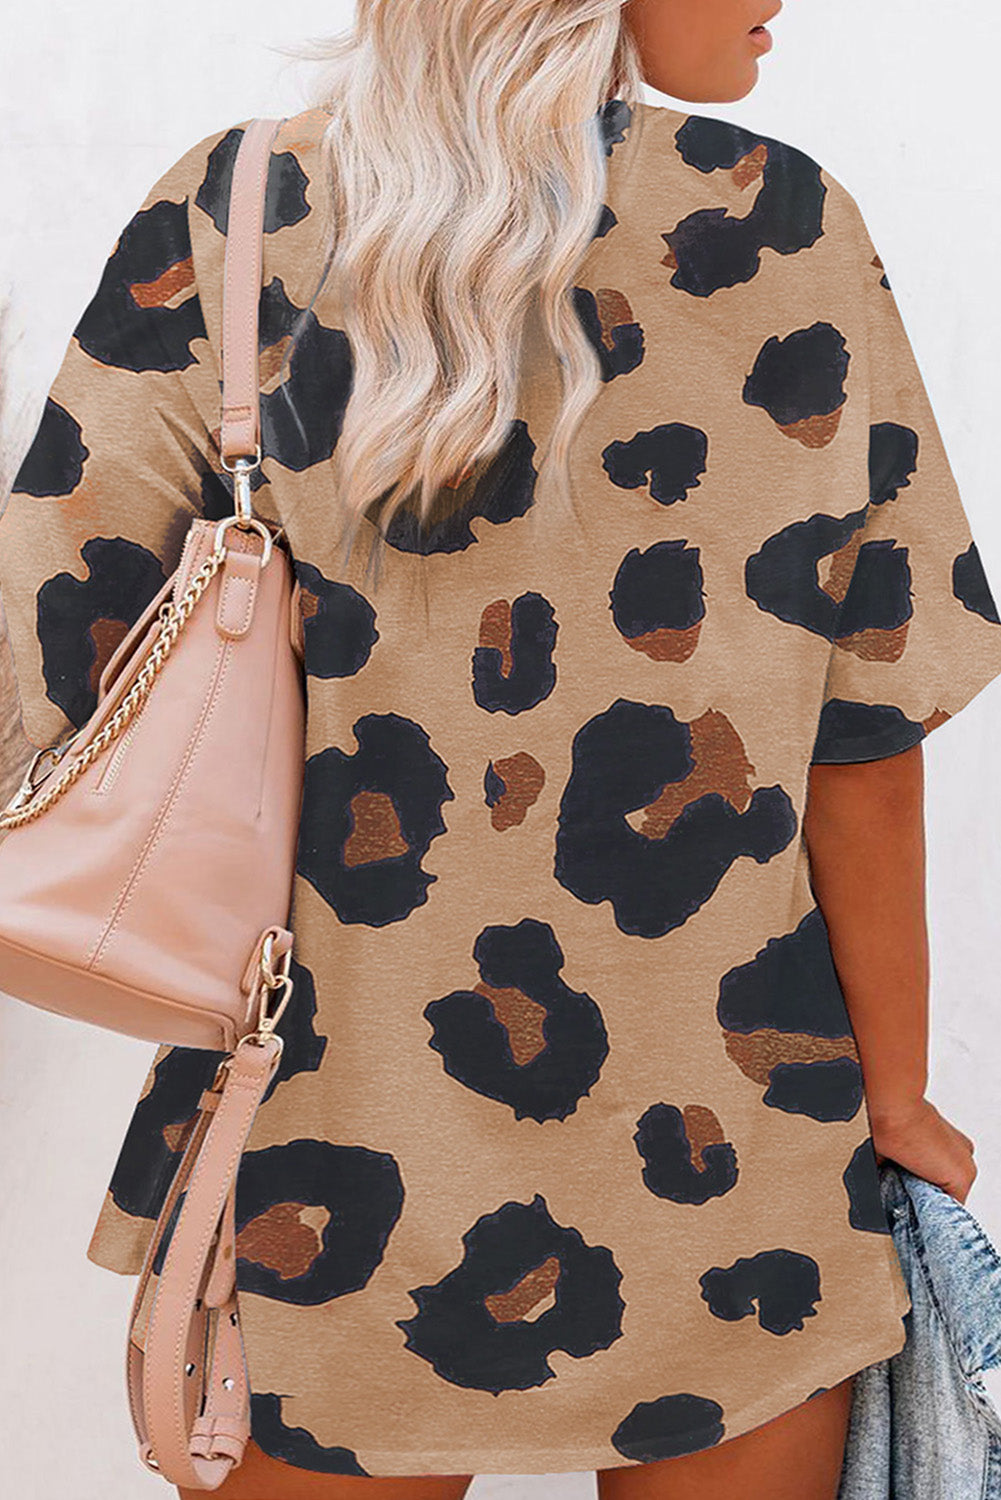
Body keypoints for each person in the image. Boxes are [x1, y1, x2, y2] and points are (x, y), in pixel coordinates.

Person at [1, 2, 999, 1497]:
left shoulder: (239, 214)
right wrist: (896, 1098)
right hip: (735, 1149)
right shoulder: (781, 220)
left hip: (319, 1142)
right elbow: (865, 735)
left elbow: (48, 666)